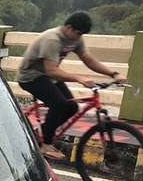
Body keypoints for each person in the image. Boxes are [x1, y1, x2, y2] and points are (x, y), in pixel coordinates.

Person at [17, 11, 125, 161]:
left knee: (72, 107)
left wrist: (113, 74)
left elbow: (89, 60)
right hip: (31, 77)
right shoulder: (52, 39)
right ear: (69, 28)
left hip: (49, 77)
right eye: (78, 33)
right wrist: (79, 78)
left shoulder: (76, 39)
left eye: (82, 35)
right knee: (59, 104)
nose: (79, 37)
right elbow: (52, 70)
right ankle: (46, 145)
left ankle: (42, 133)